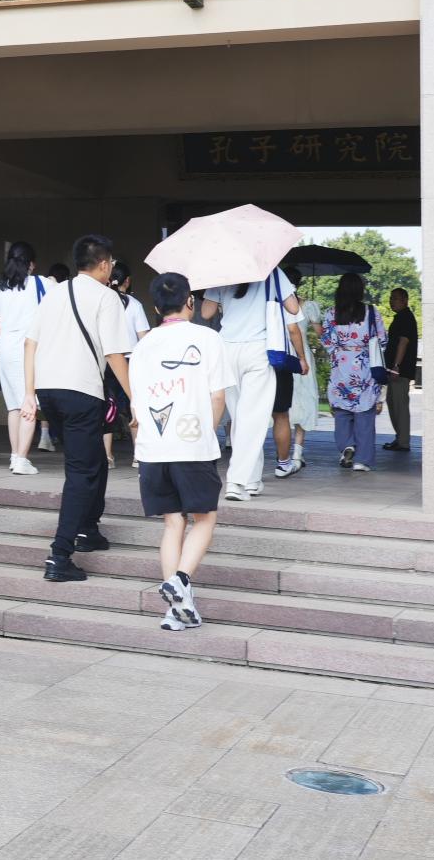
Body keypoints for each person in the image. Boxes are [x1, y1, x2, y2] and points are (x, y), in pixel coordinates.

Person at [23, 233, 135, 583]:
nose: (111, 268)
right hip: (81, 393)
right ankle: (59, 555)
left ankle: (89, 528)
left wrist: (28, 393)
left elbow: (29, 343)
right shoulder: (107, 297)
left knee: (94, 461)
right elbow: (114, 354)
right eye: (111, 263)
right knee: (81, 473)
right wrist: (136, 399)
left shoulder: (56, 292)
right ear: (103, 264)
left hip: (49, 391)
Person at [128, 273, 232, 631]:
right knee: (204, 519)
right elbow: (218, 397)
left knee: (173, 522)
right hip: (192, 445)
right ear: (190, 301)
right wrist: (208, 431)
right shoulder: (208, 338)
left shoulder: (142, 347)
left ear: (157, 308)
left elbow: (136, 405)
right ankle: (181, 578)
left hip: (153, 448)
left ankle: (177, 611)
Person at [201, 269, 302, 503]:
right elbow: (293, 307)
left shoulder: (222, 270)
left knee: (241, 418)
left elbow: (206, 312)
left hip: (227, 349)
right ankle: (237, 482)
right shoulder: (271, 270)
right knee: (252, 419)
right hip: (258, 349)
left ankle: (252, 480)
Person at [0, 242, 49, 476]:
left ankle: (15, 455)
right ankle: (22, 460)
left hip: (6, 348)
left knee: (14, 407)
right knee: (29, 403)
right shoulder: (40, 283)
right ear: (31, 264)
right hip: (29, 349)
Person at [321, 274, 386, 471]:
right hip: (365, 366)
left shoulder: (331, 313)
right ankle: (362, 461)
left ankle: (346, 445)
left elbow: (327, 341)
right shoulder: (371, 312)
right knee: (365, 415)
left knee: (341, 413)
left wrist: (341, 353)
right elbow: (382, 340)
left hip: (341, 366)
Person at [103, 261, 150, 468]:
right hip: (131, 361)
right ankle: (138, 455)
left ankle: (107, 456)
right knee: (134, 405)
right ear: (127, 281)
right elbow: (144, 339)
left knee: (107, 406)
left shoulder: (102, 301)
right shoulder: (135, 305)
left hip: (106, 361)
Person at [280, 300, 321, 477]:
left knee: (283, 405)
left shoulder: (275, 304)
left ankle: (282, 455)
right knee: (304, 399)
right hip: (301, 354)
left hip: (281, 353)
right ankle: (297, 453)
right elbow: (320, 333)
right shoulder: (308, 306)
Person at [384, 287, 419, 452]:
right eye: (391, 298)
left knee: (399, 405)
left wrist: (396, 366)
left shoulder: (406, 317)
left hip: (400, 370)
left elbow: (403, 342)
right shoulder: (401, 317)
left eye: (395, 298)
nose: (392, 301)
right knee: (393, 402)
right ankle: (400, 438)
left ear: (405, 300)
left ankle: (403, 441)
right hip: (396, 369)